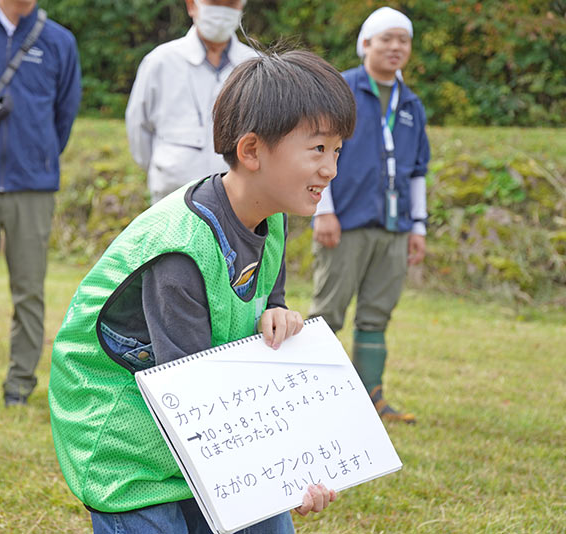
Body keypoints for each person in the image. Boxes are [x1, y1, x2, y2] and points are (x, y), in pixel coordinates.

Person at [49, 49, 356, 533]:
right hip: (130, 445)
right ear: (252, 150)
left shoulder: (269, 217)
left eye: (337, 151)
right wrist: (286, 469)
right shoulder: (181, 253)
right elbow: (191, 402)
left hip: (208, 423)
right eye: (318, 150)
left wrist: (277, 314)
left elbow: (264, 298)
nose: (331, 169)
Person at [0, 0, 81, 408]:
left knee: (29, 289)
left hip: (33, 185)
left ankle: (20, 385)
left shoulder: (59, 40)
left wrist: (40, 156)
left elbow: (65, 114)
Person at [309, 6, 430, 424]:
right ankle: (309, 396)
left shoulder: (411, 102)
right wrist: (322, 210)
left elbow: (418, 171)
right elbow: (315, 152)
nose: (396, 47)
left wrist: (419, 225)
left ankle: (371, 398)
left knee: (377, 313)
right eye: (387, 38)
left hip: (394, 227)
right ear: (366, 44)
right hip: (345, 222)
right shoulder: (340, 90)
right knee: (328, 313)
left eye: (404, 40)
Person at [125, 0, 256, 204]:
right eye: (214, 3)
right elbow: (138, 129)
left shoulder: (255, 64)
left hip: (239, 203)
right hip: (172, 198)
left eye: (230, 4)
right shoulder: (160, 62)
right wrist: (166, 166)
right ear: (191, 6)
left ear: (241, 8)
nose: (221, 13)